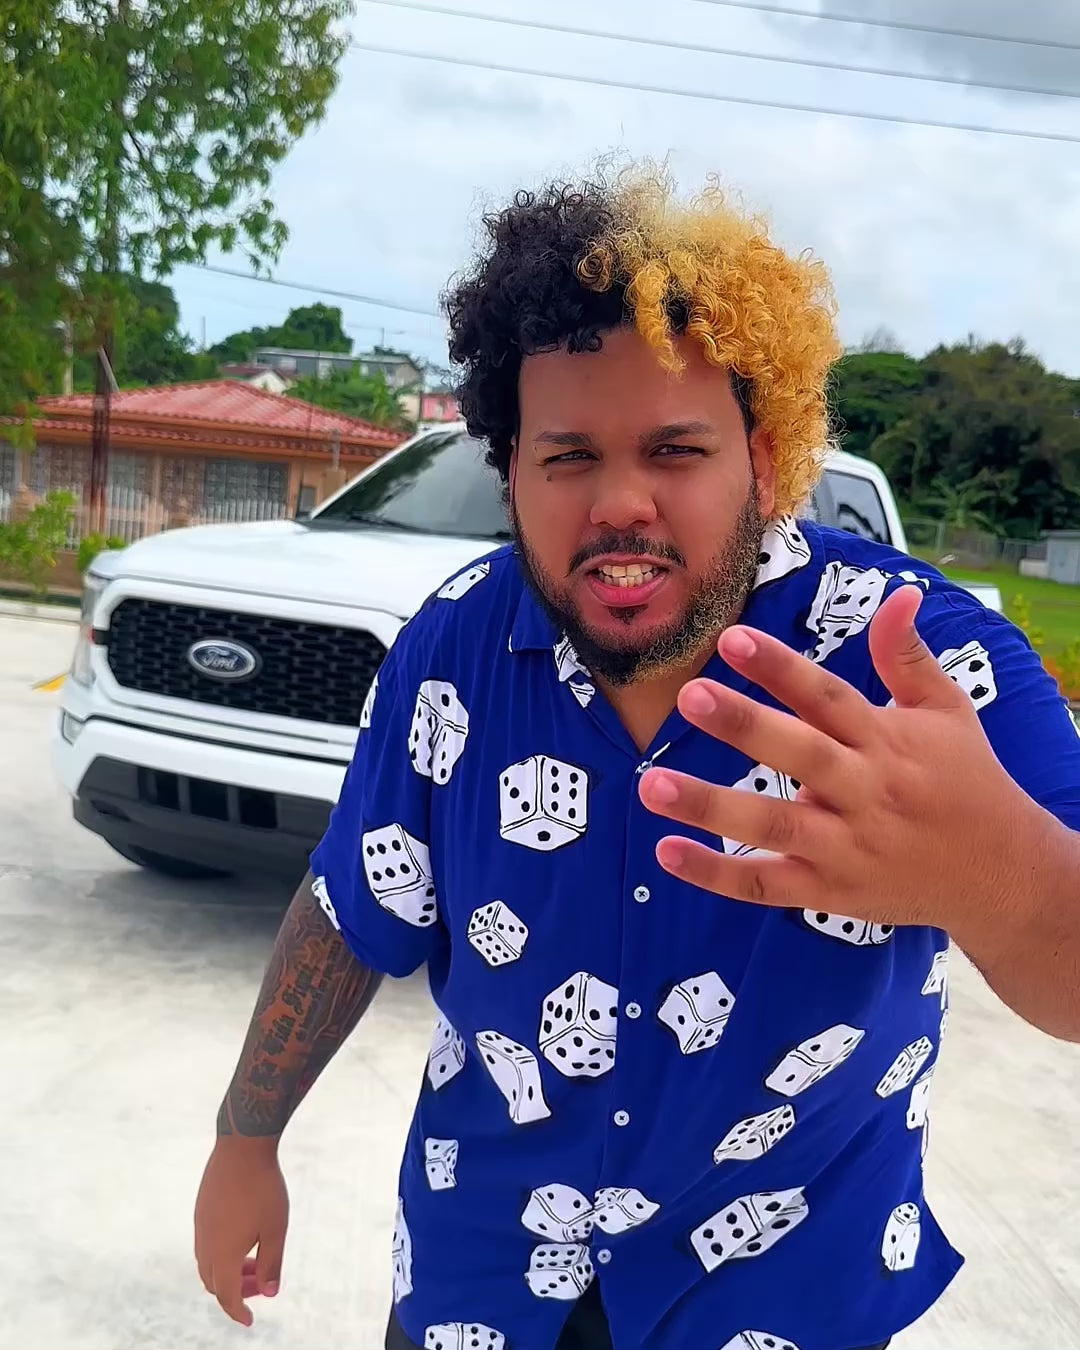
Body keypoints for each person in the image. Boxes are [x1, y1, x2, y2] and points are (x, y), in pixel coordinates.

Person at [194, 164, 1080, 1350]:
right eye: (567, 457)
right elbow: (357, 904)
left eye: (674, 450)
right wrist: (245, 1138)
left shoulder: (917, 660)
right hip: (482, 1281)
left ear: (764, 454)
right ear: (511, 470)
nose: (620, 503)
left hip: (778, 1293)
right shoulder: (453, 650)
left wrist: (993, 874)